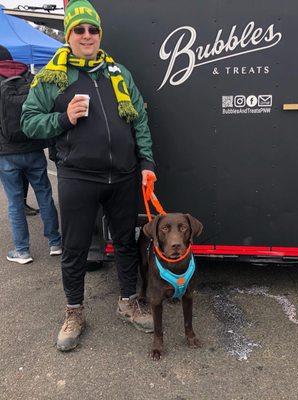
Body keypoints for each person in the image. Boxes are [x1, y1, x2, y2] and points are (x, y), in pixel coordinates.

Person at [21, 0, 157, 352]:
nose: (86, 35)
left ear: (99, 34)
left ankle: (128, 301)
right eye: (79, 29)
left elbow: (139, 118)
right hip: (78, 176)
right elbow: (28, 122)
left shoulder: (118, 73)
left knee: (126, 242)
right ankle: (74, 312)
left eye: (92, 29)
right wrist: (64, 117)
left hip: (123, 175)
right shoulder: (53, 75)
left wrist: (147, 163)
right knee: (75, 247)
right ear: (68, 35)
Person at [0, 45, 62, 265]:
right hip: (34, 147)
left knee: (15, 202)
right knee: (44, 193)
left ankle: (22, 250)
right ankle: (55, 242)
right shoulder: (30, 76)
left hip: (6, 153)